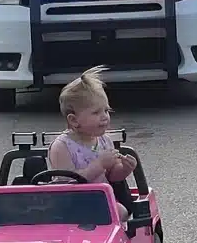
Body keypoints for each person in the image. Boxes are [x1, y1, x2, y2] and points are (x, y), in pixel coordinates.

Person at [47, 65, 138, 221]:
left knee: (122, 212)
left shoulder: (105, 140)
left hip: (99, 200)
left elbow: (112, 177)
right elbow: (66, 186)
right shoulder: (61, 146)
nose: (104, 117)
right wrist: (99, 164)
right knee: (118, 213)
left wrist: (124, 169)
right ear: (74, 120)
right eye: (96, 112)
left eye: (106, 110)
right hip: (68, 206)